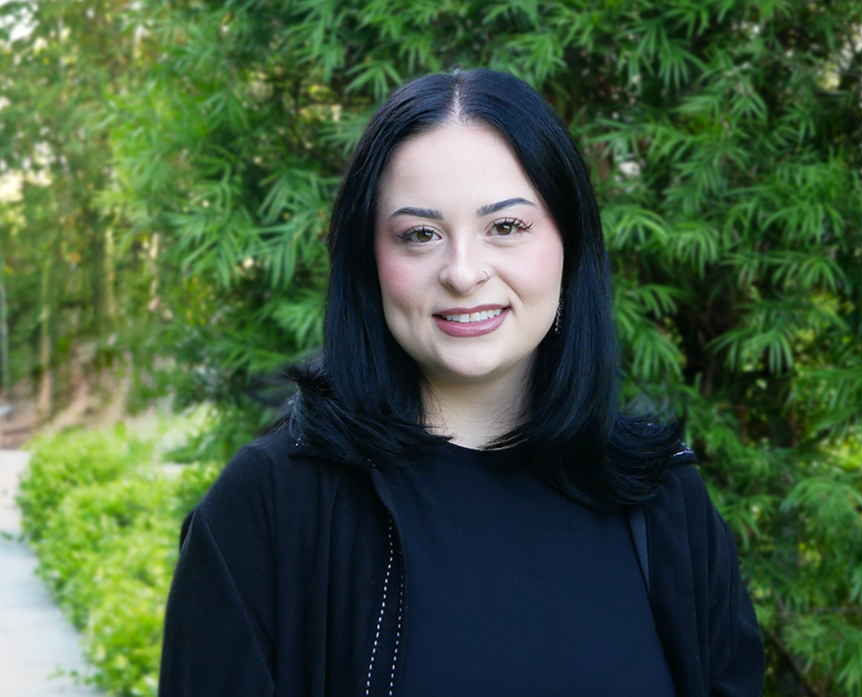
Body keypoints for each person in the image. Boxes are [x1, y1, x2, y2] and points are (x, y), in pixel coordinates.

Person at [159, 68, 765, 697]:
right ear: (369, 261)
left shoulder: (664, 500)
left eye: (506, 227)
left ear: (570, 244)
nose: (463, 272)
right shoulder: (268, 509)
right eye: (420, 235)